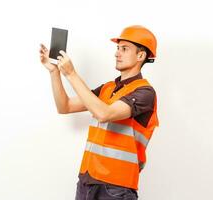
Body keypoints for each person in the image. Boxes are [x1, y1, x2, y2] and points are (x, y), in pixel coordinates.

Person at [39, 25, 159, 200]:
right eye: (118, 48)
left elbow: (105, 114)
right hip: (87, 181)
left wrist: (71, 74)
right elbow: (64, 106)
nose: (117, 53)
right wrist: (54, 72)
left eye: (124, 49)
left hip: (116, 187)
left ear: (141, 55)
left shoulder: (145, 92)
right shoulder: (108, 88)